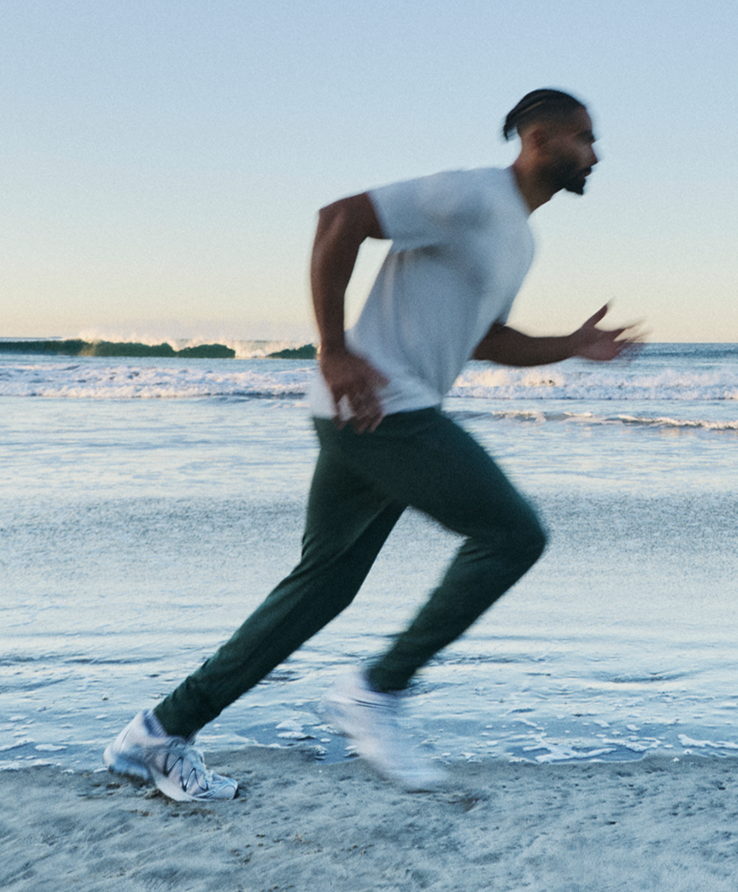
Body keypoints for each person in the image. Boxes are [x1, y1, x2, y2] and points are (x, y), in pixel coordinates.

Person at [104, 88, 641, 801]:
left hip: (365, 415)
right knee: (513, 536)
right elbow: (342, 218)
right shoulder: (470, 195)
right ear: (539, 139)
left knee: (322, 587)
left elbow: (485, 338)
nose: (595, 154)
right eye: (584, 138)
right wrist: (332, 348)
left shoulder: (518, 236)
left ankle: (158, 733)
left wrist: (568, 346)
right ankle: (377, 692)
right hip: (386, 409)